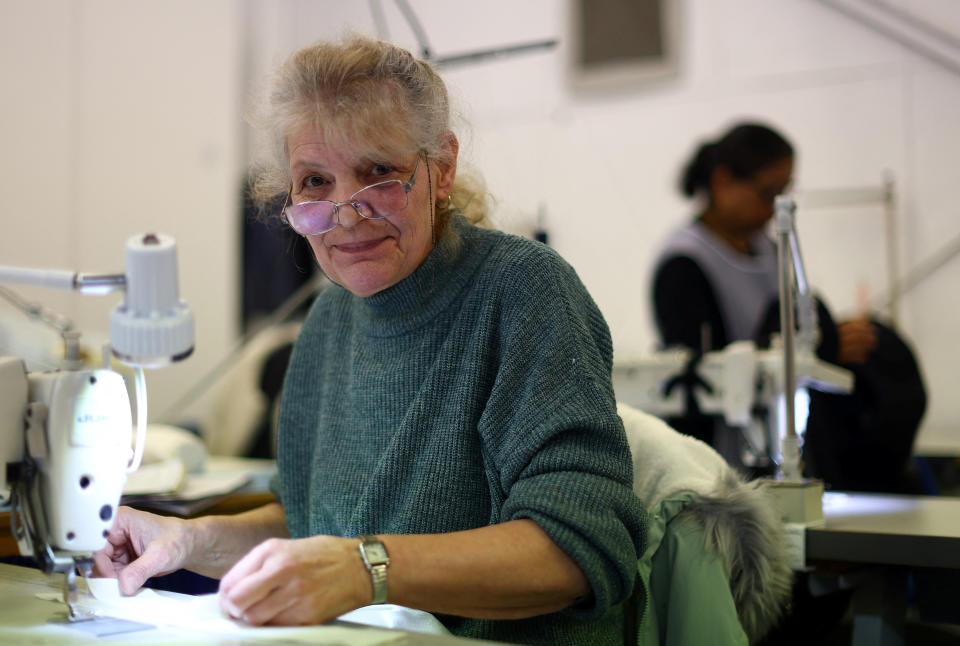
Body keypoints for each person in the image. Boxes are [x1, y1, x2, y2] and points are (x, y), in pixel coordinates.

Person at [93, 35, 646, 645]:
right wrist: (189, 541)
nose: (346, 215)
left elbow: (575, 552)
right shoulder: (326, 326)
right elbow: (311, 528)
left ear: (440, 169)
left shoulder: (522, 292)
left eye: (378, 172)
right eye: (314, 182)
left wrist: (365, 569)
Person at [650, 121, 926, 493]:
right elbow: (708, 373)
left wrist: (827, 339)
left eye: (784, 192)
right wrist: (823, 349)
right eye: (767, 193)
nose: (773, 208)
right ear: (722, 181)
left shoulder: (771, 249)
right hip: (716, 469)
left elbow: (790, 326)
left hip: (774, 452)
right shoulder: (684, 264)